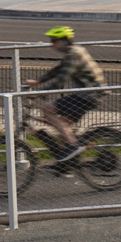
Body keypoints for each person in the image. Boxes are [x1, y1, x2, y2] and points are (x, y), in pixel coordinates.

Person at [24, 26, 104, 167]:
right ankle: (65, 165)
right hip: (90, 95)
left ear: (65, 41)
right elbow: (58, 70)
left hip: (87, 95)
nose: (52, 44)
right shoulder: (74, 51)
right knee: (63, 126)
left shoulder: (73, 54)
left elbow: (60, 79)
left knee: (47, 108)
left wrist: (39, 93)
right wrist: (38, 82)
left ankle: (73, 146)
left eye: (54, 41)